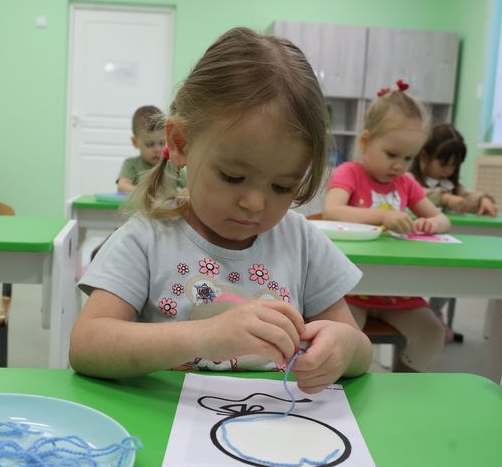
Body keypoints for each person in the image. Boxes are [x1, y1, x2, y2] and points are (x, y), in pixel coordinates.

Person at [71, 27, 372, 395]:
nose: (255, 204)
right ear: (180, 143)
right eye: (233, 177)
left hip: (276, 423)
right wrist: (203, 335)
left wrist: (345, 348)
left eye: (282, 186)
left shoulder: (301, 242)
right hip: (168, 423)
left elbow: (361, 351)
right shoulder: (148, 238)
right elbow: (86, 344)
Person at [322, 81, 450, 372]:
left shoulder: (406, 183)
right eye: (392, 154)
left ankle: (401, 384)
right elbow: (332, 210)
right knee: (340, 340)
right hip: (350, 289)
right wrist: (381, 216)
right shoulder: (349, 173)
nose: (399, 166)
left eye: (409, 158)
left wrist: (431, 222)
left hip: (398, 290)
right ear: (365, 142)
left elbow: (444, 220)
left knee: (432, 334)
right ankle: (349, 388)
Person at [411, 123, 496, 217]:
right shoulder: (409, 179)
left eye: (453, 166)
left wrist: (482, 200)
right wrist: (443, 198)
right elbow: (417, 194)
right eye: (443, 164)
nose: (447, 171)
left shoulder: (449, 185)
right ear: (423, 156)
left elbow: (465, 196)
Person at [117, 105, 186, 195]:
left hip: (169, 204)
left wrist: (180, 195)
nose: (157, 149)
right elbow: (122, 186)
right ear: (135, 142)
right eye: (150, 144)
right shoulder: (131, 165)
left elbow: (190, 187)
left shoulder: (173, 165)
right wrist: (145, 194)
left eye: (162, 143)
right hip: (141, 204)